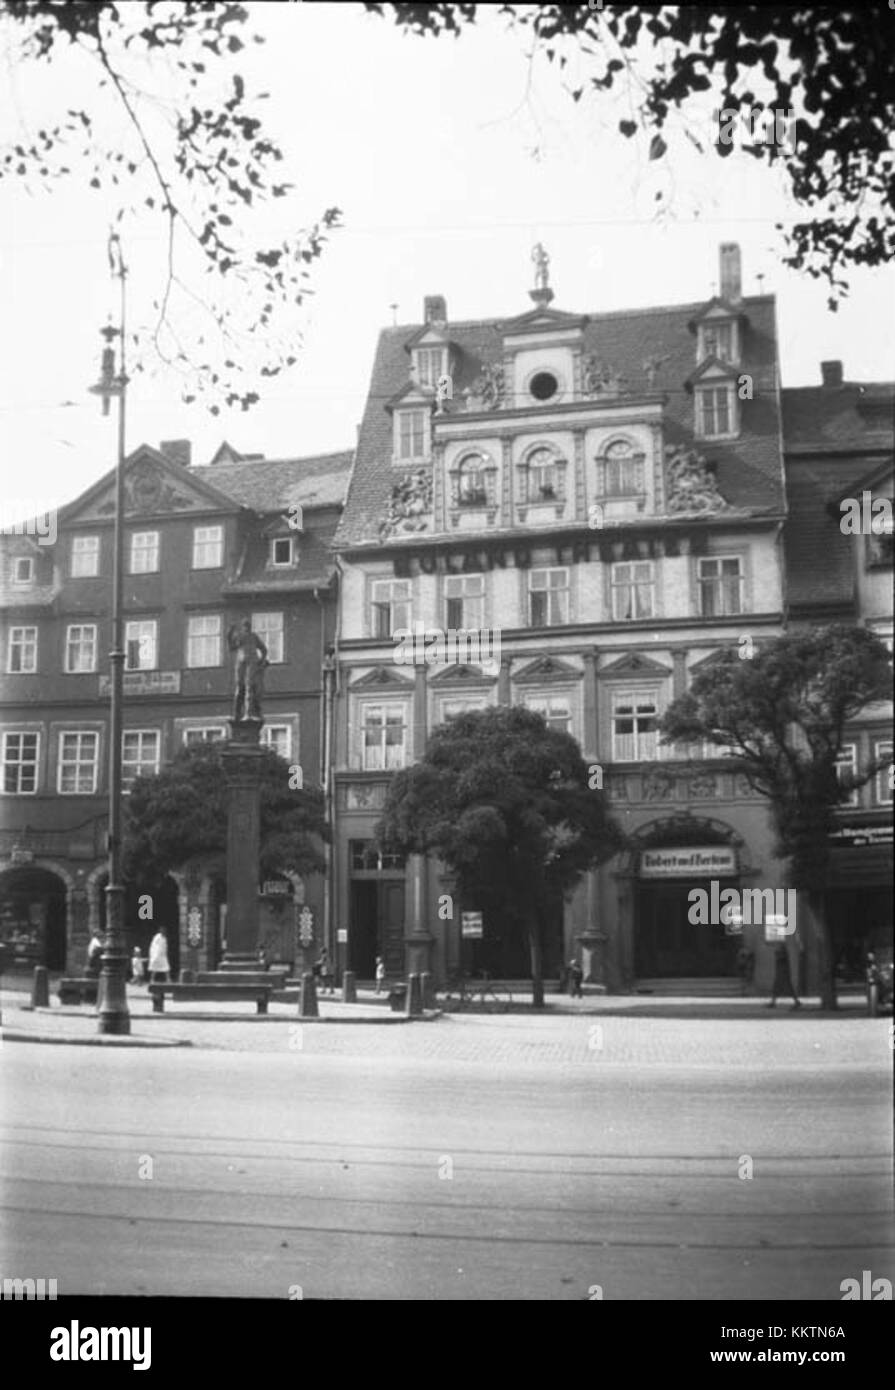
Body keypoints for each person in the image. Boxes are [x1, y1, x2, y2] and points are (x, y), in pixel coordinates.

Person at [767, 940, 800, 1009]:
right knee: (776, 987)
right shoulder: (781, 952)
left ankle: (796, 1002)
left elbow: (780, 958)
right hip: (780, 973)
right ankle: (773, 1002)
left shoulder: (783, 953)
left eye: (778, 946)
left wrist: (776, 952)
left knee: (788, 988)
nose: (777, 946)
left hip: (784, 974)